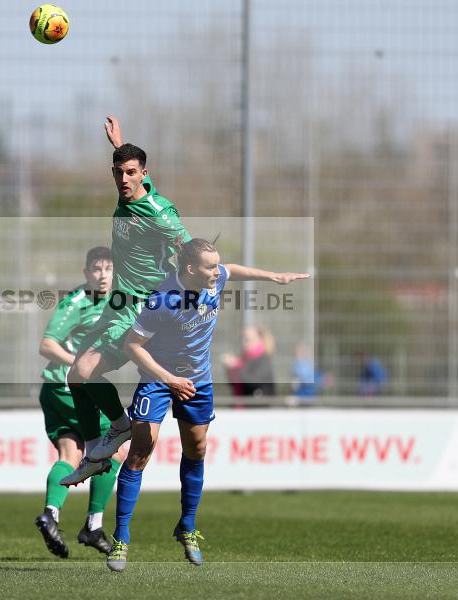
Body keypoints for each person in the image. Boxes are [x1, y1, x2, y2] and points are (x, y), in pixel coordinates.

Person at [105, 238, 310, 572]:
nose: (218, 272)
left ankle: (187, 526)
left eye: (217, 265)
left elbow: (236, 271)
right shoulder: (163, 300)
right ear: (190, 270)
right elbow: (133, 346)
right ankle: (121, 537)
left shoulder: (215, 278)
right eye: (211, 267)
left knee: (197, 449)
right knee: (142, 447)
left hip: (198, 380)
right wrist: (168, 378)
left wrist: (273, 276)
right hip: (159, 379)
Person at [61, 117, 192, 486]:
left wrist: (201, 277)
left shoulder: (157, 210)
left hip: (143, 309)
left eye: (131, 172)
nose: (124, 179)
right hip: (121, 305)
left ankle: (119, 430)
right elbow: (129, 170)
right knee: (76, 376)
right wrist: (119, 142)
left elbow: (187, 243)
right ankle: (101, 447)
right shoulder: (130, 190)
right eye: (118, 171)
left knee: (84, 373)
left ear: (144, 173)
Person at [34, 246, 126, 558]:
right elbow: (47, 345)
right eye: (97, 270)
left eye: (108, 269)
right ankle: (93, 526)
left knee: (70, 453)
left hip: (59, 389)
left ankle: (51, 514)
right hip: (67, 387)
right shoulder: (76, 301)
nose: (103, 275)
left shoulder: (116, 299)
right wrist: (79, 365)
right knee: (113, 447)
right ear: (86, 273)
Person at [221, 325, 276, 397]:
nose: (244, 342)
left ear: (259, 340)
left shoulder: (264, 359)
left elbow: (252, 382)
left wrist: (236, 365)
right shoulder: (244, 359)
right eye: (242, 338)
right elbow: (235, 385)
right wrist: (229, 369)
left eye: (247, 339)